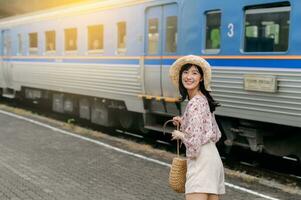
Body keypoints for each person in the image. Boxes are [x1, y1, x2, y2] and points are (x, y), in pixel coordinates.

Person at [169, 55, 225, 200]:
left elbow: (194, 146)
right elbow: (213, 132)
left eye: (194, 73)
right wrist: (184, 121)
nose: (189, 76)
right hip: (212, 157)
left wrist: (180, 135)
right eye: (185, 72)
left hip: (201, 160)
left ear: (201, 78)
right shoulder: (203, 99)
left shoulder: (194, 103)